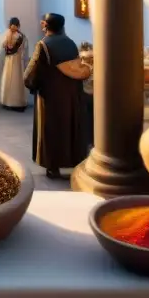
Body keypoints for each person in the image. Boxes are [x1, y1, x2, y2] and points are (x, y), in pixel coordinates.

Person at [24, 12, 90, 179]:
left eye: (43, 23)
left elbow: (32, 72)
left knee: (51, 130)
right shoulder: (71, 44)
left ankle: (53, 166)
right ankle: (72, 160)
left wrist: (31, 84)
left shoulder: (43, 45)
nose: (41, 25)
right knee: (68, 128)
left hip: (50, 96)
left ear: (47, 25)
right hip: (71, 94)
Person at [0, 17, 28, 111]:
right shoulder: (10, 34)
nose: (14, 27)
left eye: (15, 25)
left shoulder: (20, 36)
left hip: (14, 60)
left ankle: (13, 102)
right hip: (12, 60)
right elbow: (3, 45)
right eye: (13, 25)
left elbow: (22, 48)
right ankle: (10, 102)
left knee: (14, 80)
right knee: (11, 79)